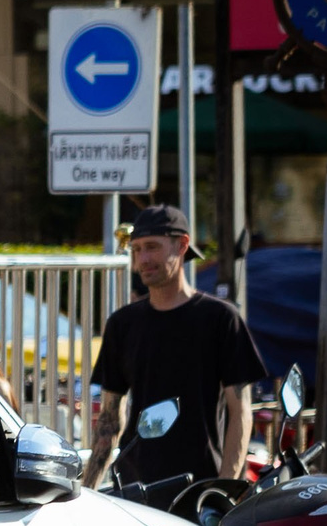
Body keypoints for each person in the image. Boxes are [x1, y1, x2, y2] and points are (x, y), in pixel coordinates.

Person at [84, 205, 269, 488]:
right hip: (137, 493)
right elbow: (109, 422)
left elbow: (241, 411)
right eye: (136, 250)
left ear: (182, 245)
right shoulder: (122, 324)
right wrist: (87, 493)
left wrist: (226, 488)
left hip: (201, 489)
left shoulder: (220, 318)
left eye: (152, 247)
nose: (142, 259)